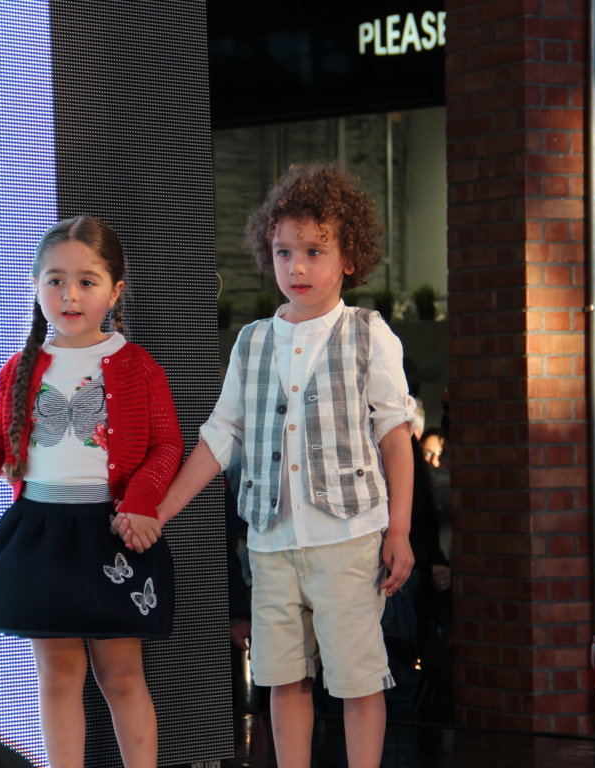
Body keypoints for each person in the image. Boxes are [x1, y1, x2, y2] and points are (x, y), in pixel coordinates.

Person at [119, 163, 414, 768]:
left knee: (358, 678)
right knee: (282, 677)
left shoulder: (368, 333)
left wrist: (401, 530)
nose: (297, 267)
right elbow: (221, 435)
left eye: (314, 251)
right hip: (272, 540)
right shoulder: (253, 341)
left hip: (348, 535)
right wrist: (161, 509)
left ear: (349, 257)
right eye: (284, 252)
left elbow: (394, 435)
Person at [0, 216, 183, 768]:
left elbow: (167, 446)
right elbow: (4, 460)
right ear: (35, 287)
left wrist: (140, 502)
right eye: (55, 280)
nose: (69, 294)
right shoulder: (19, 369)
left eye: (86, 281)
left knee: (122, 676)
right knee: (57, 676)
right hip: (41, 534)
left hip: (110, 533)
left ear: (115, 292)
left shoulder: (139, 366)